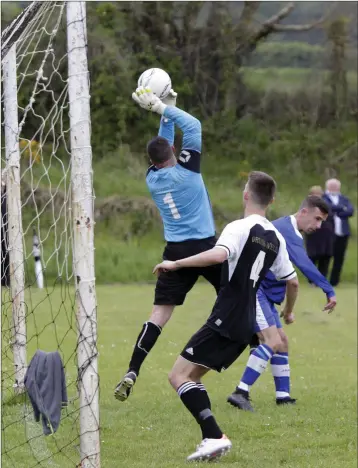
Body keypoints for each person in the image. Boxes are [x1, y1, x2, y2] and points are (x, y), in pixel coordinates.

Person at [153, 171, 298, 461]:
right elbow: (292, 281)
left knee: (177, 375)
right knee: (193, 376)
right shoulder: (277, 238)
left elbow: (219, 255)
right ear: (271, 200)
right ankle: (211, 438)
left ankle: (214, 436)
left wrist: (176, 263)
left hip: (227, 314)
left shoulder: (239, 227)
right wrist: (289, 311)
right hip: (247, 322)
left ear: (246, 195)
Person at [114, 87, 222, 401]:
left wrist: (164, 111)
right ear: (174, 154)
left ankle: (133, 369)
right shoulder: (188, 172)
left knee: (159, 315)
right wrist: (163, 107)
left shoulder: (152, 178)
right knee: (232, 294)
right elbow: (194, 127)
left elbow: (164, 145)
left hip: (174, 251)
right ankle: (255, 341)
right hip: (205, 248)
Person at [227, 195, 337, 412]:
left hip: (263, 295)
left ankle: (283, 396)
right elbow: (301, 270)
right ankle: (240, 392)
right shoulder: (286, 230)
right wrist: (328, 289)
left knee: (281, 341)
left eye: (322, 222)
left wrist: (287, 310)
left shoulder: (286, 228)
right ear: (303, 212)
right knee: (272, 340)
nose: (318, 225)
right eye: (316, 219)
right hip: (254, 292)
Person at [323, 178, 354, 286]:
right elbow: (327, 208)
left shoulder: (344, 198)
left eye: (336, 186)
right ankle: (321, 280)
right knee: (325, 257)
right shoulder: (324, 197)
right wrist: (342, 208)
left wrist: (338, 211)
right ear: (328, 187)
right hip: (328, 233)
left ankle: (334, 281)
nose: (334, 188)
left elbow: (351, 210)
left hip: (343, 233)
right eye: (332, 186)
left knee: (339, 258)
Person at [305, 186, 334, 279]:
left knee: (325, 256)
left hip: (325, 233)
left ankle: (322, 278)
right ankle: (312, 279)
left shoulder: (327, 205)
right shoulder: (307, 206)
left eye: (319, 194)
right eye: (315, 194)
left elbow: (331, 216)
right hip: (312, 233)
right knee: (312, 256)